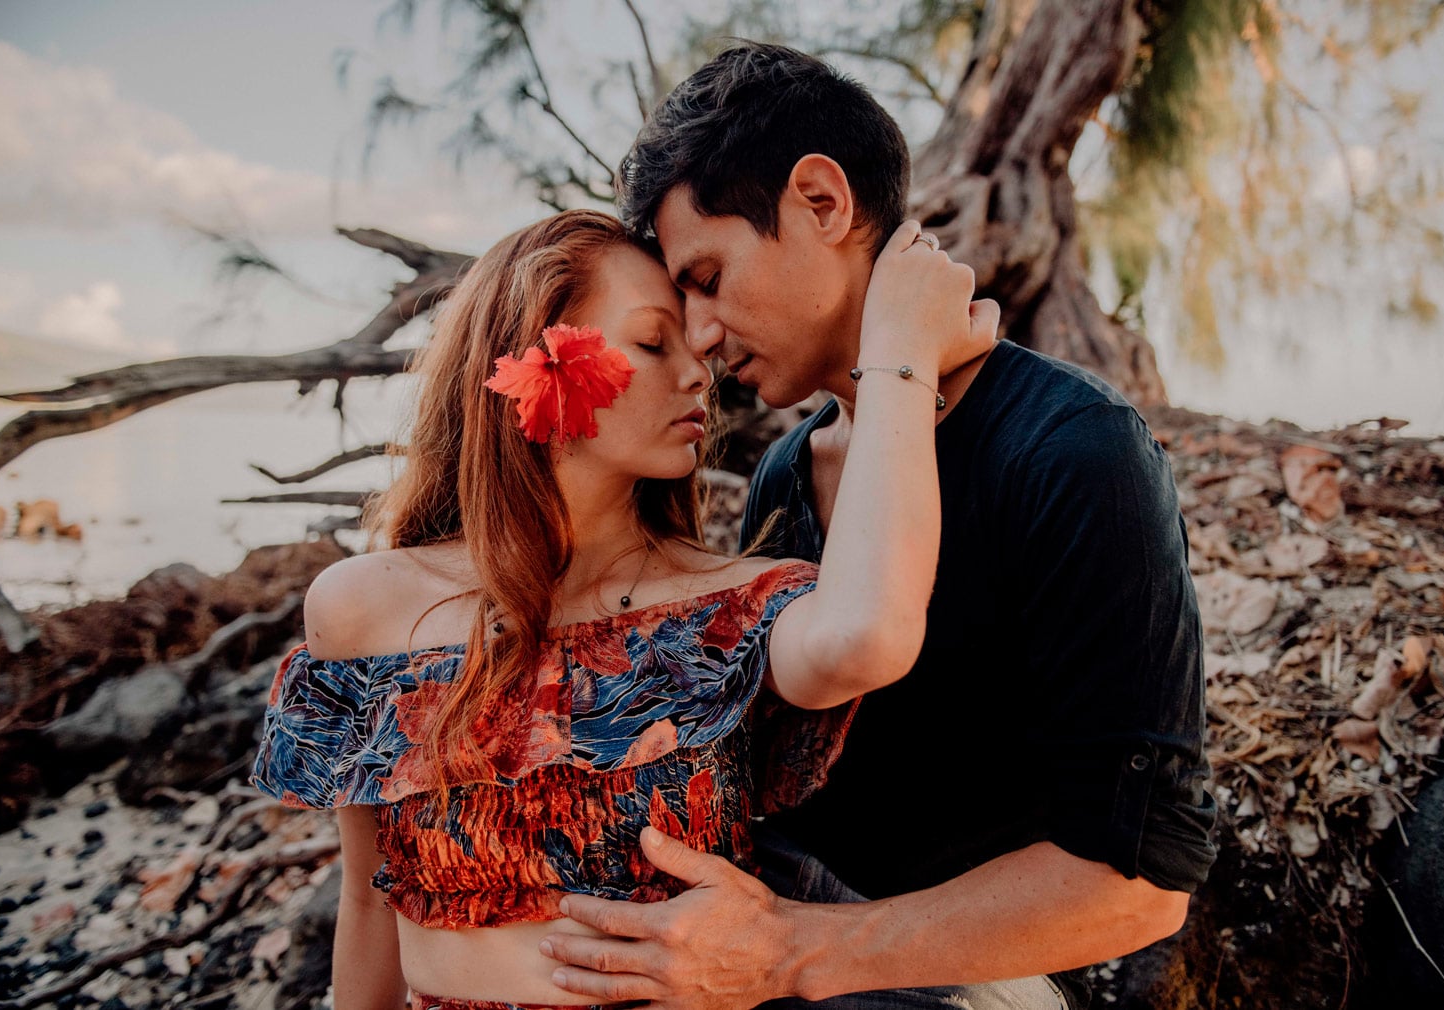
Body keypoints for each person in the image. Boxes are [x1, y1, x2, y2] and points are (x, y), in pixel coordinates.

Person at [538, 43, 1218, 1010]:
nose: (696, 333)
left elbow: (1140, 886)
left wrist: (792, 953)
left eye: (707, 275)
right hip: (778, 926)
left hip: (958, 977)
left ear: (822, 201)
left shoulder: (1073, 451)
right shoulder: (783, 472)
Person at [250, 208, 994, 1010]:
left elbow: (867, 641)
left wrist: (898, 358)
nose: (699, 374)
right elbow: (369, 901)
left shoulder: (728, 606)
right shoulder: (361, 607)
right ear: (535, 355)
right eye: (651, 342)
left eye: (696, 347)